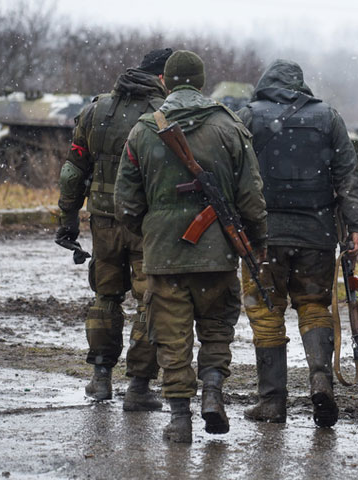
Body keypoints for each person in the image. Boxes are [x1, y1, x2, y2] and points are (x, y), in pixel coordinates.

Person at [115, 50, 267, 443]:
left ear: (164, 81)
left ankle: (180, 419)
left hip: (164, 258)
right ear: (201, 82)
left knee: (172, 338)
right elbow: (251, 196)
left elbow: (126, 205)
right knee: (216, 330)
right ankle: (212, 392)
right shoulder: (229, 126)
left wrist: (153, 228)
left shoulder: (143, 130)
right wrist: (256, 240)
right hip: (217, 256)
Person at [237, 59, 358, 427]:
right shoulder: (328, 117)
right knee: (314, 307)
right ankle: (320, 382)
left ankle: (272, 402)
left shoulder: (247, 117)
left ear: (265, 83)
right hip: (317, 236)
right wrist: (357, 224)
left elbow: (234, 176)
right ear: (301, 85)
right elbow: (347, 175)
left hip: (263, 238)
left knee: (266, 313)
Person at [55, 48, 173, 410]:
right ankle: (138, 386)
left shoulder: (95, 111)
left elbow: (74, 170)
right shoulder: (164, 115)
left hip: (104, 221)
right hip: (146, 224)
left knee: (105, 296)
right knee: (148, 301)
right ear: (161, 78)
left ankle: (101, 378)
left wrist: (68, 216)